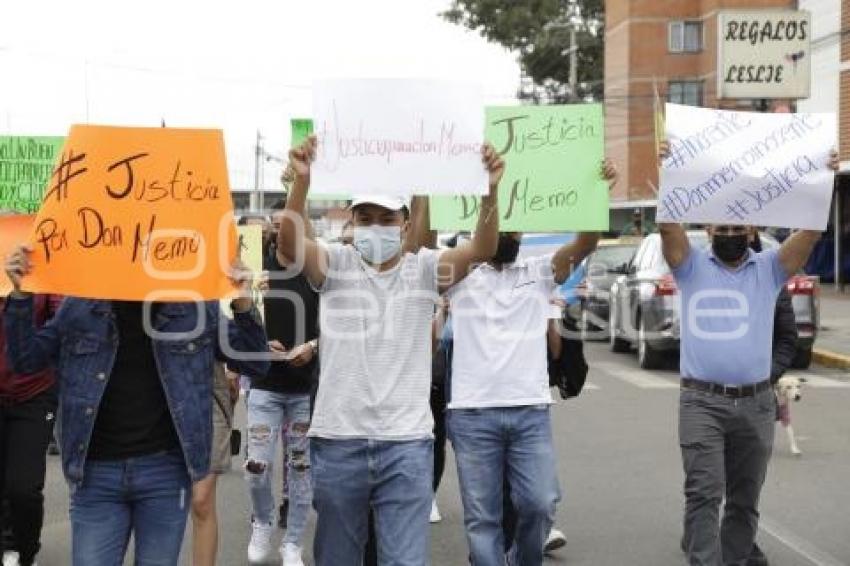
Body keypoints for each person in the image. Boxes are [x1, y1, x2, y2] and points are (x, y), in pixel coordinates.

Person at [278, 135, 504, 566]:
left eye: (387, 217)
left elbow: (483, 249)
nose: (376, 226)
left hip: (406, 444)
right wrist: (302, 182)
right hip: (339, 440)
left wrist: (491, 189)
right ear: (352, 222)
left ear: (404, 223)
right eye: (365, 217)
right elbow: (290, 249)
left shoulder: (423, 270)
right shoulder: (336, 264)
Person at [2, 247, 269, 566]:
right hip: (95, 474)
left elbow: (256, 362)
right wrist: (19, 296)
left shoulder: (193, 308)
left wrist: (242, 300)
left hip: (165, 473)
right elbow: (25, 359)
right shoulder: (81, 307)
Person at [658, 144, 839, 566]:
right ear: (707, 228)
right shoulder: (690, 267)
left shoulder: (771, 269)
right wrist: (668, 171)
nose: (728, 235)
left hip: (757, 404)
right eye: (720, 229)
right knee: (703, 494)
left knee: (744, 501)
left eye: (736, 228)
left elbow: (809, 234)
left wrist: (823, 181)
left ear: (751, 228)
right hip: (701, 403)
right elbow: (668, 230)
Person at [446, 160, 616, 566]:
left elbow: (584, 245)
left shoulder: (540, 272)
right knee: (482, 519)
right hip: (472, 414)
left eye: (514, 229)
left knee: (539, 505)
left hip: (529, 413)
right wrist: (489, 190)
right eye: (500, 229)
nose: (508, 235)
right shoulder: (458, 272)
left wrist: (598, 194)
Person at [245, 198, 320, 566]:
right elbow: (236, 319)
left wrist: (312, 345)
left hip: (305, 389)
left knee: (301, 468)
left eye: (288, 221)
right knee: (256, 467)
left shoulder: (317, 271)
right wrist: (257, 345)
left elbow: (341, 321)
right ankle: (262, 520)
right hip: (264, 386)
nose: (280, 228)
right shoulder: (256, 269)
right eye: (276, 223)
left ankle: (293, 543)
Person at [0, 293, 61, 566]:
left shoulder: (40, 266)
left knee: (23, 487)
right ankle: (6, 545)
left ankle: (25, 551)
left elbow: (62, 320)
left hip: (34, 392)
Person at [190, 362, 239, 566]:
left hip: (208, 391)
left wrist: (234, 369)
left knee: (201, 501)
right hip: (155, 393)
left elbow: (237, 337)